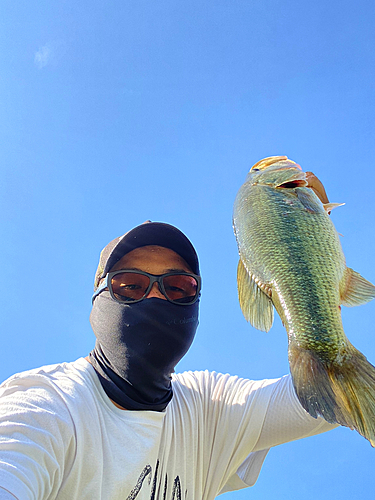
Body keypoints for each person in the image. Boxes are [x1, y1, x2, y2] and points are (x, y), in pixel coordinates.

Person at [0, 221, 336, 500]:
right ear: (98, 298)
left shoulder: (210, 407)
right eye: (130, 285)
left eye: (177, 288)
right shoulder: (48, 404)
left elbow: (334, 395)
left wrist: (314, 294)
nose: (156, 298)